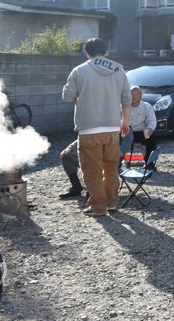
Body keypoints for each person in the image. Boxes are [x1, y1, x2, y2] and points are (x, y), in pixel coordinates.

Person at [62, 38, 131, 217]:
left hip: (89, 129)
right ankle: (112, 203)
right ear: (106, 52)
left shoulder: (79, 70)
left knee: (91, 171)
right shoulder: (119, 70)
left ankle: (98, 207)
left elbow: (68, 97)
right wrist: (125, 123)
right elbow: (127, 99)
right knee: (111, 168)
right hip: (112, 129)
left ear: (87, 53)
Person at [120, 86, 157, 165]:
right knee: (115, 139)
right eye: (132, 94)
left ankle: (149, 162)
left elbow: (152, 120)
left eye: (136, 94)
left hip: (141, 132)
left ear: (140, 95)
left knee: (152, 137)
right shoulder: (123, 107)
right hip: (126, 132)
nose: (134, 96)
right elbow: (118, 120)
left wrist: (150, 129)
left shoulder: (146, 106)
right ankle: (117, 162)